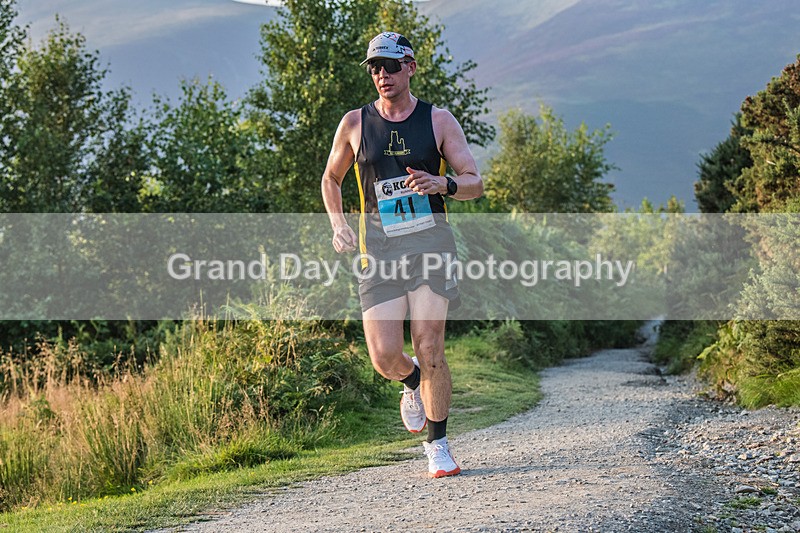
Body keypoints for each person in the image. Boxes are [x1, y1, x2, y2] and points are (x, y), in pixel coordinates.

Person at [321, 31, 483, 478]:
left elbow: (474, 181)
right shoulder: (355, 123)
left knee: (429, 345)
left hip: (430, 245)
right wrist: (338, 224)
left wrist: (443, 184)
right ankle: (412, 382)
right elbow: (330, 179)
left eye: (390, 66)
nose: (382, 75)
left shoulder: (439, 120)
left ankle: (438, 444)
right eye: (374, 67)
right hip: (380, 252)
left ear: (410, 66)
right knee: (385, 356)